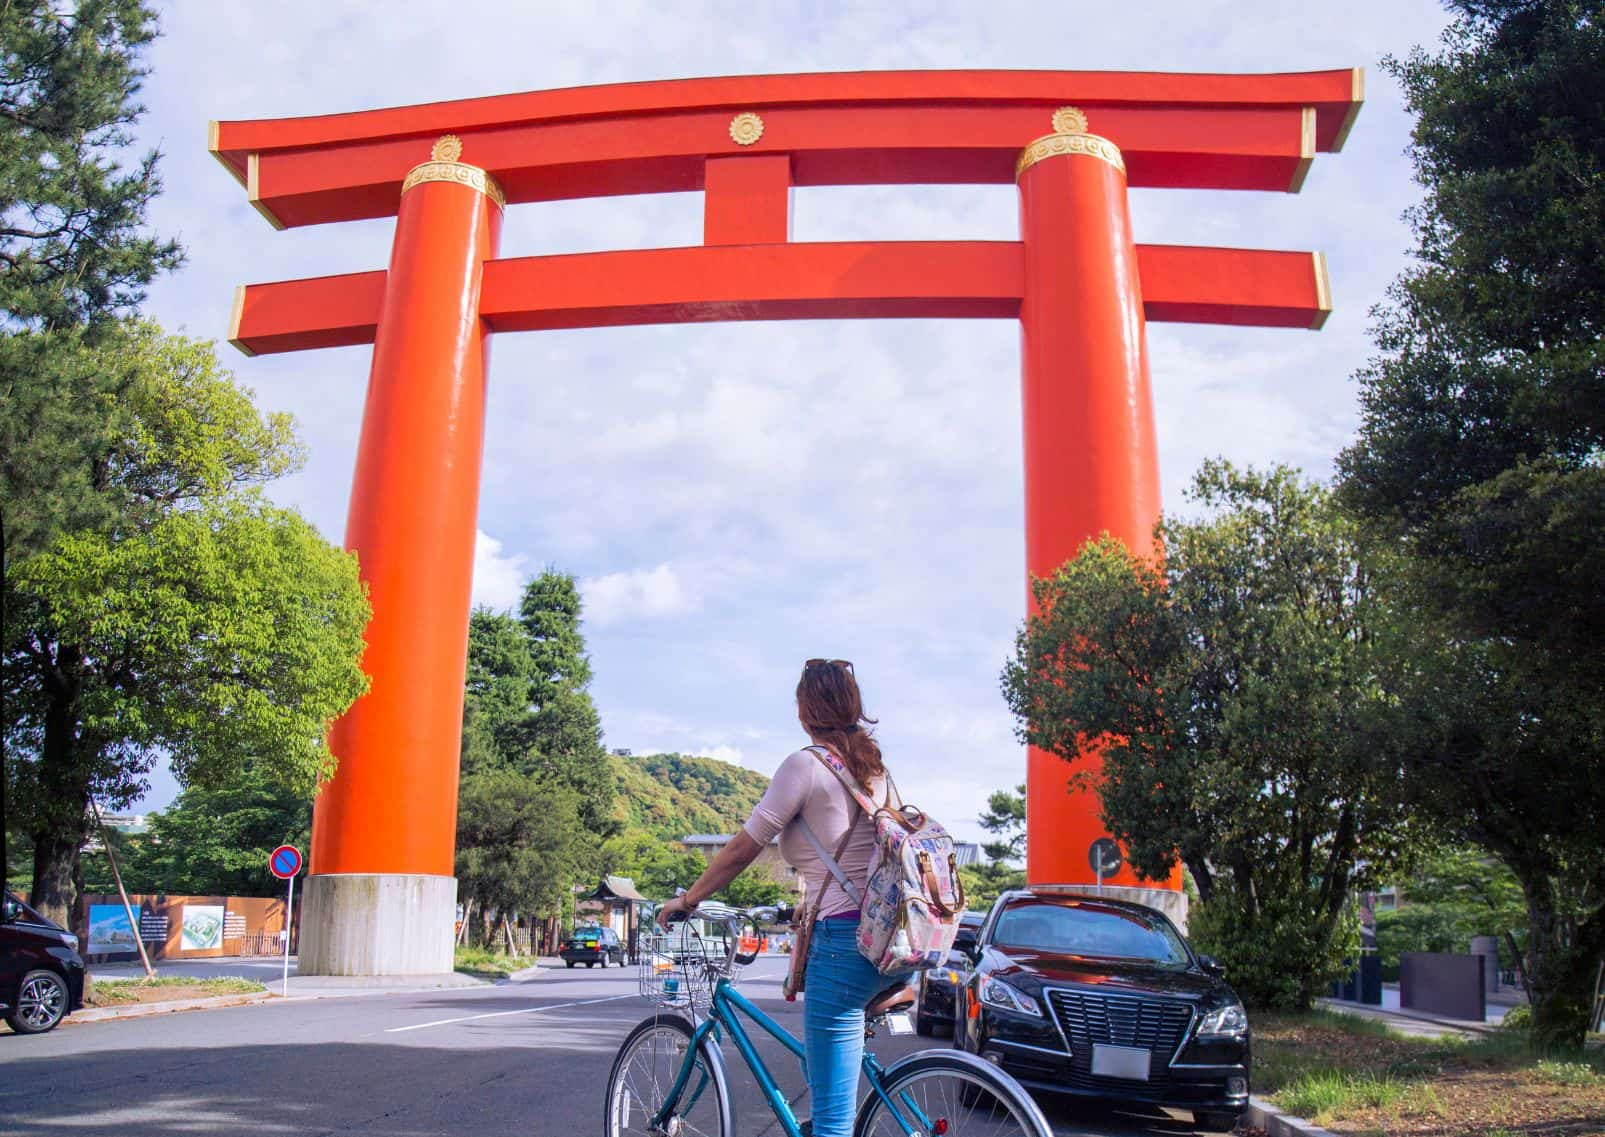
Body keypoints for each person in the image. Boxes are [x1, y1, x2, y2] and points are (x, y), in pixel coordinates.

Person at [656, 658, 898, 1137]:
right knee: (824, 1068)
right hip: (890, 942)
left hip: (844, 945)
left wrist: (690, 898)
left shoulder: (804, 766)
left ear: (806, 711)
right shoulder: (877, 771)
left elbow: (746, 847)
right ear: (853, 707)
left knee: (831, 1124)